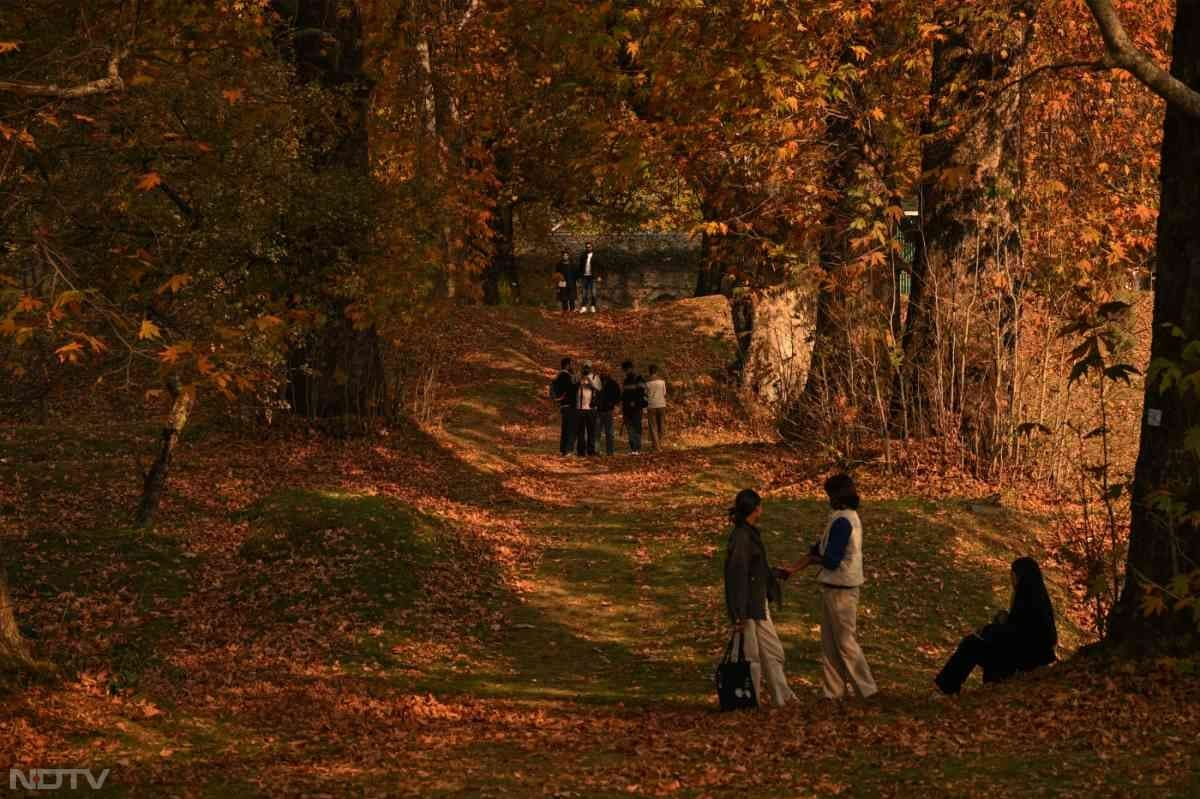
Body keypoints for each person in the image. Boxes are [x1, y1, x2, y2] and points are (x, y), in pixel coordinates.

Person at [783, 473, 878, 700]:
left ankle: (868, 689)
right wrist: (793, 569)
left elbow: (830, 559)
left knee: (845, 642)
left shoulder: (843, 521)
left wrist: (811, 562)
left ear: (837, 496)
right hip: (833, 588)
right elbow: (817, 550)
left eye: (829, 495)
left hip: (842, 589)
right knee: (829, 643)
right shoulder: (839, 518)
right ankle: (833, 692)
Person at [934, 557, 1058, 695]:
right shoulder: (1037, 596)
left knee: (971, 644)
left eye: (1013, 574)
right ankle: (984, 686)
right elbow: (1020, 627)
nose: (1012, 579)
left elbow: (1017, 633)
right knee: (983, 643)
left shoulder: (1026, 598)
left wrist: (989, 630)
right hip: (1026, 655)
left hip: (1024, 660)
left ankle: (946, 688)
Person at [723, 489, 798, 707]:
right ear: (755, 509)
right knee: (751, 655)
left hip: (757, 603)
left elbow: (755, 569)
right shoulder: (742, 537)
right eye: (760, 506)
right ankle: (750, 700)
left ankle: (781, 696)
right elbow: (737, 575)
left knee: (772, 651)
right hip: (747, 606)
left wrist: (775, 573)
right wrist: (738, 613)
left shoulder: (748, 534)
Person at [549, 357, 577, 457]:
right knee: (570, 428)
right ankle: (568, 450)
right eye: (571, 364)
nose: (572, 366)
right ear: (567, 365)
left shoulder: (558, 376)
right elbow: (572, 390)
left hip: (563, 405)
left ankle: (563, 449)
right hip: (570, 405)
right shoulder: (566, 376)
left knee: (565, 428)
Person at [620, 360, 647, 454]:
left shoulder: (639, 379)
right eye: (624, 370)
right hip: (626, 410)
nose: (626, 372)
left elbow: (641, 393)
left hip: (636, 409)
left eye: (627, 370)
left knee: (636, 427)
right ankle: (633, 448)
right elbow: (623, 396)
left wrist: (635, 403)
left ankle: (637, 448)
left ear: (631, 369)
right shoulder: (626, 381)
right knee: (629, 428)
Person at [575, 362, 601, 456]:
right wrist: (579, 376)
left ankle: (591, 451)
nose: (586, 369)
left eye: (588, 368)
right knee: (580, 431)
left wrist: (590, 382)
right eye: (584, 367)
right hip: (579, 407)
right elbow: (573, 383)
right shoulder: (578, 376)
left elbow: (599, 389)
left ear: (591, 368)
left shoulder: (595, 377)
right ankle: (580, 451)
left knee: (591, 431)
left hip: (591, 408)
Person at [597, 367, 622, 456]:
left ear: (609, 372)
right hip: (598, 411)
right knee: (597, 433)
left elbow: (618, 396)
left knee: (609, 433)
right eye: (602, 371)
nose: (604, 373)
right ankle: (596, 451)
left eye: (606, 371)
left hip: (608, 411)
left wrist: (615, 405)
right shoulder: (596, 382)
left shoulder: (613, 383)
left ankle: (610, 452)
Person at [645, 364, 667, 450]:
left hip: (651, 405)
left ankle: (656, 446)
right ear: (657, 372)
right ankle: (659, 443)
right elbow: (664, 393)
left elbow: (645, 395)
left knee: (653, 426)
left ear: (649, 372)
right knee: (661, 424)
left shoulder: (647, 383)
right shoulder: (662, 382)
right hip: (661, 405)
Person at [577, 242, 601, 313]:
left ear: (592, 247)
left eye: (589, 247)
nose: (588, 248)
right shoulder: (583, 255)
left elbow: (599, 267)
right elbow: (580, 266)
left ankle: (593, 306)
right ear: (585, 248)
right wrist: (580, 275)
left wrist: (599, 276)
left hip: (592, 276)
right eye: (587, 247)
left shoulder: (596, 256)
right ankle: (584, 307)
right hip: (584, 276)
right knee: (584, 292)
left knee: (593, 292)